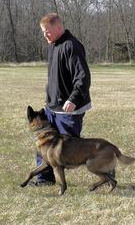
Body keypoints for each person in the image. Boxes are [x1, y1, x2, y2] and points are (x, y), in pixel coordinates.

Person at [33, 13, 92, 186]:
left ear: (58, 27)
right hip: (52, 108)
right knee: (43, 144)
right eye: (43, 32)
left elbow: (83, 77)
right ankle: (44, 180)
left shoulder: (72, 46)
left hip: (69, 109)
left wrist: (73, 98)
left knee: (67, 150)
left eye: (47, 31)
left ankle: (105, 169)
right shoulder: (53, 46)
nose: (45, 35)